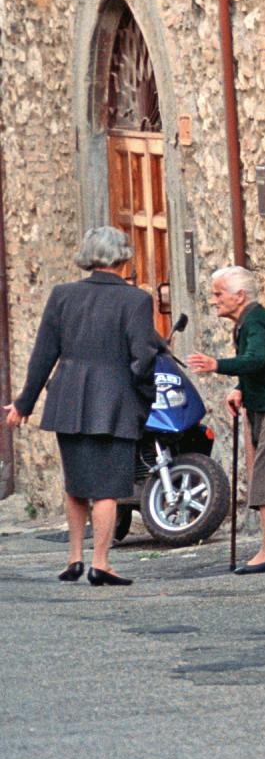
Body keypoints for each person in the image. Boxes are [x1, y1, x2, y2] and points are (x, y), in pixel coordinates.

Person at [1, 227, 165, 586]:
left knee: (76, 483)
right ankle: (101, 563)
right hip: (115, 399)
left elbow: (44, 353)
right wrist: (145, 397)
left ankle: (74, 557)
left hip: (69, 398)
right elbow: (143, 357)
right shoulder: (136, 300)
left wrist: (24, 403)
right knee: (107, 487)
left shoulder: (63, 295)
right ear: (123, 258)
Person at [185, 267, 265, 574]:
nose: (214, 300)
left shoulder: (257, 321)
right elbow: (259, 365)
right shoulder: (247, 323)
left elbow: (255, 359)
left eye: (219, 294)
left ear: (239, 295)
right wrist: (240, 388)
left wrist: (216, 365)